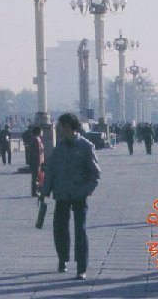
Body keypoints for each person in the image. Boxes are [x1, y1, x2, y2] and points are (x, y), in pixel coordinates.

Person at [40, 113, 101, 281]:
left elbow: (95, 174)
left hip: (79, 195)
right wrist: (45, 192)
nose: (59, 128)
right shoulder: (59, 147)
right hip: (61, 194)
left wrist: (87, 190)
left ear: (69, 126)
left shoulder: (86, 146)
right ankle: (62, 258)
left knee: (79, 230)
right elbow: (51, 171)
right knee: (60, 229)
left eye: (62, 125)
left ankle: (81, 267)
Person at [24, 125, 44, 197]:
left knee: (37, 177)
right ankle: (34, 191)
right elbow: (37, 152)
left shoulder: (36, 139)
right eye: (41, 131)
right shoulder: (36, 139)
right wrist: (39, 163)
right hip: (36, 161)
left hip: (38, 160)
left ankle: (36, 191)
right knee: (35, 177)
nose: (42, 132)